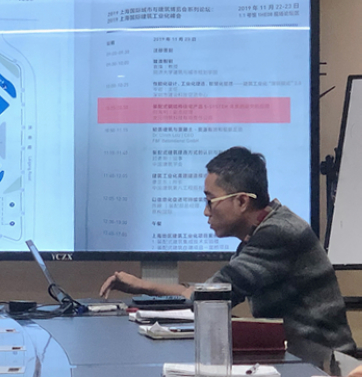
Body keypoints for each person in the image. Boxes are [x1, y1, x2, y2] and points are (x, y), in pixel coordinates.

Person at [99, 146, 356, 353]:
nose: (206, 211)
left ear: (242, 201)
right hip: (299, 358)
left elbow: (210, 297)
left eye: (210, 201)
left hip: (323, 368)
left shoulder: (278, 233)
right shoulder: (264, 228)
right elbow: (210, 292)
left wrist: (145, 288)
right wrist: (142, 286)